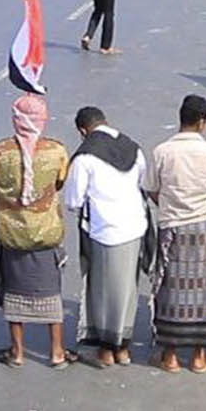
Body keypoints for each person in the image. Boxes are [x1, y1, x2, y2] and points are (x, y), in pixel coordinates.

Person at [60, 106, 148, 368]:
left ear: (82, 130)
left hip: (103, 231)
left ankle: (107, 349)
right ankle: (124, 348)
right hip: (134, 226)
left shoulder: (85, 157)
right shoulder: (133, 148)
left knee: (102, 290)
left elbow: (73, 200)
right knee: (128, 288)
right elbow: (140, 182)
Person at [0, 94, 72, 369]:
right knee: (51, 292)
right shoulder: (57, 151)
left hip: (12, 234)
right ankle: (57, 351)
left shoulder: (0, 151)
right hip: (45, 234)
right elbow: (60, 182)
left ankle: (17, 352)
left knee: (14, 292)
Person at [146, 95, 206, 373]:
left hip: (171, 225)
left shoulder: (162, 151)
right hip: (202, 225)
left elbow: (152, 188)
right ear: (203, 122)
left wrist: (169, 204)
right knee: (202, 288)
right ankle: (201, 354)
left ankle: (171, 354)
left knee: (170, 288)